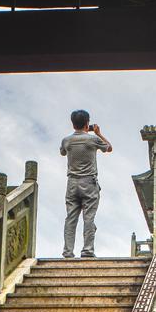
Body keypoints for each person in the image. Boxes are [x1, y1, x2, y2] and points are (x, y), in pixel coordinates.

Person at [60, 109, 113, 258]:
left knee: (70, 218)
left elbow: (62, 152)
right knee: (88, 218)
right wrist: (98, 133)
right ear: (87, 123)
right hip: (89, 183)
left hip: (72, 183)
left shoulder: (66, 141)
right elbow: (109, 147)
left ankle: (68, 252)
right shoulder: (92, 140)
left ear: (73, 124)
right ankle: (87, 250)